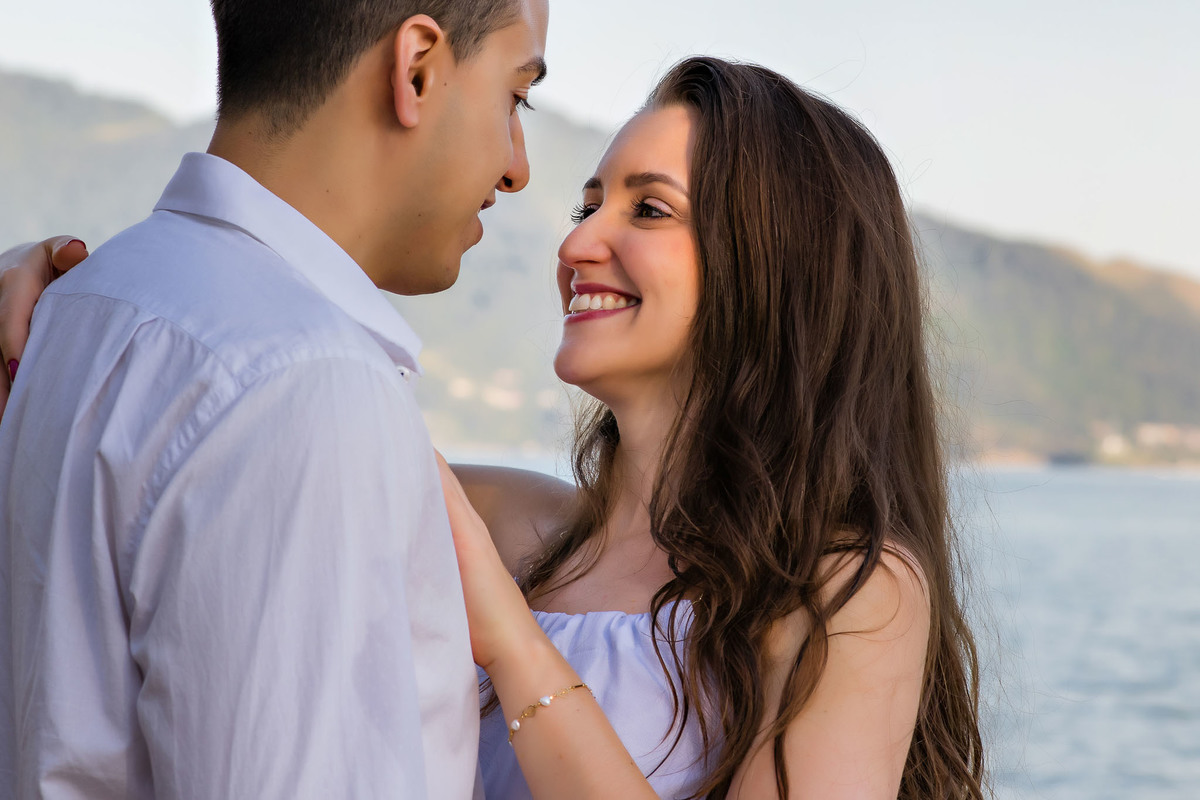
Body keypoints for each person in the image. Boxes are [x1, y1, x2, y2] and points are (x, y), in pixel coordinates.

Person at [2, 56, 987, 799]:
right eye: (588, 203)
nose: (580, 240)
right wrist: (75, 305)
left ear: (776, 268)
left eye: (649, 210)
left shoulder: (852, 588)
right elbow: (216, 429)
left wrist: (511, 641)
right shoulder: (503, 520)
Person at [0, 1, 548, 798]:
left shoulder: (75, 311)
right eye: (516, 96)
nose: (517, 166)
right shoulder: (308, 379)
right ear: (418, 69)